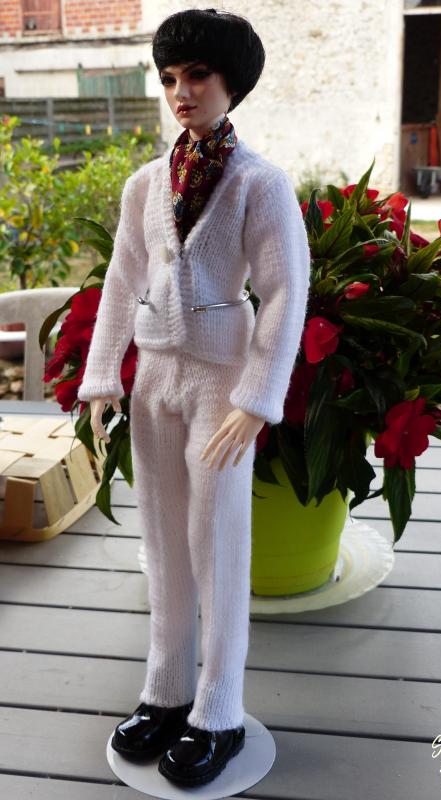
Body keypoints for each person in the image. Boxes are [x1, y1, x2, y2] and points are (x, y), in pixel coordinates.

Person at [76, 7, 310, 788]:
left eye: (198, 75)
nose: (182, 91)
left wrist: (257, 396)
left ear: (231, 83)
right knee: (161, 538)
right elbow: (121, 281)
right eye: (171, 77)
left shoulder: (258, 184)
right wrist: (103, 376)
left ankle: (219, 708)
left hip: (220, 383)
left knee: (217, 543)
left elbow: (284, 291)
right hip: (155, 381)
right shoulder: (146, 184)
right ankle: (167, 687)